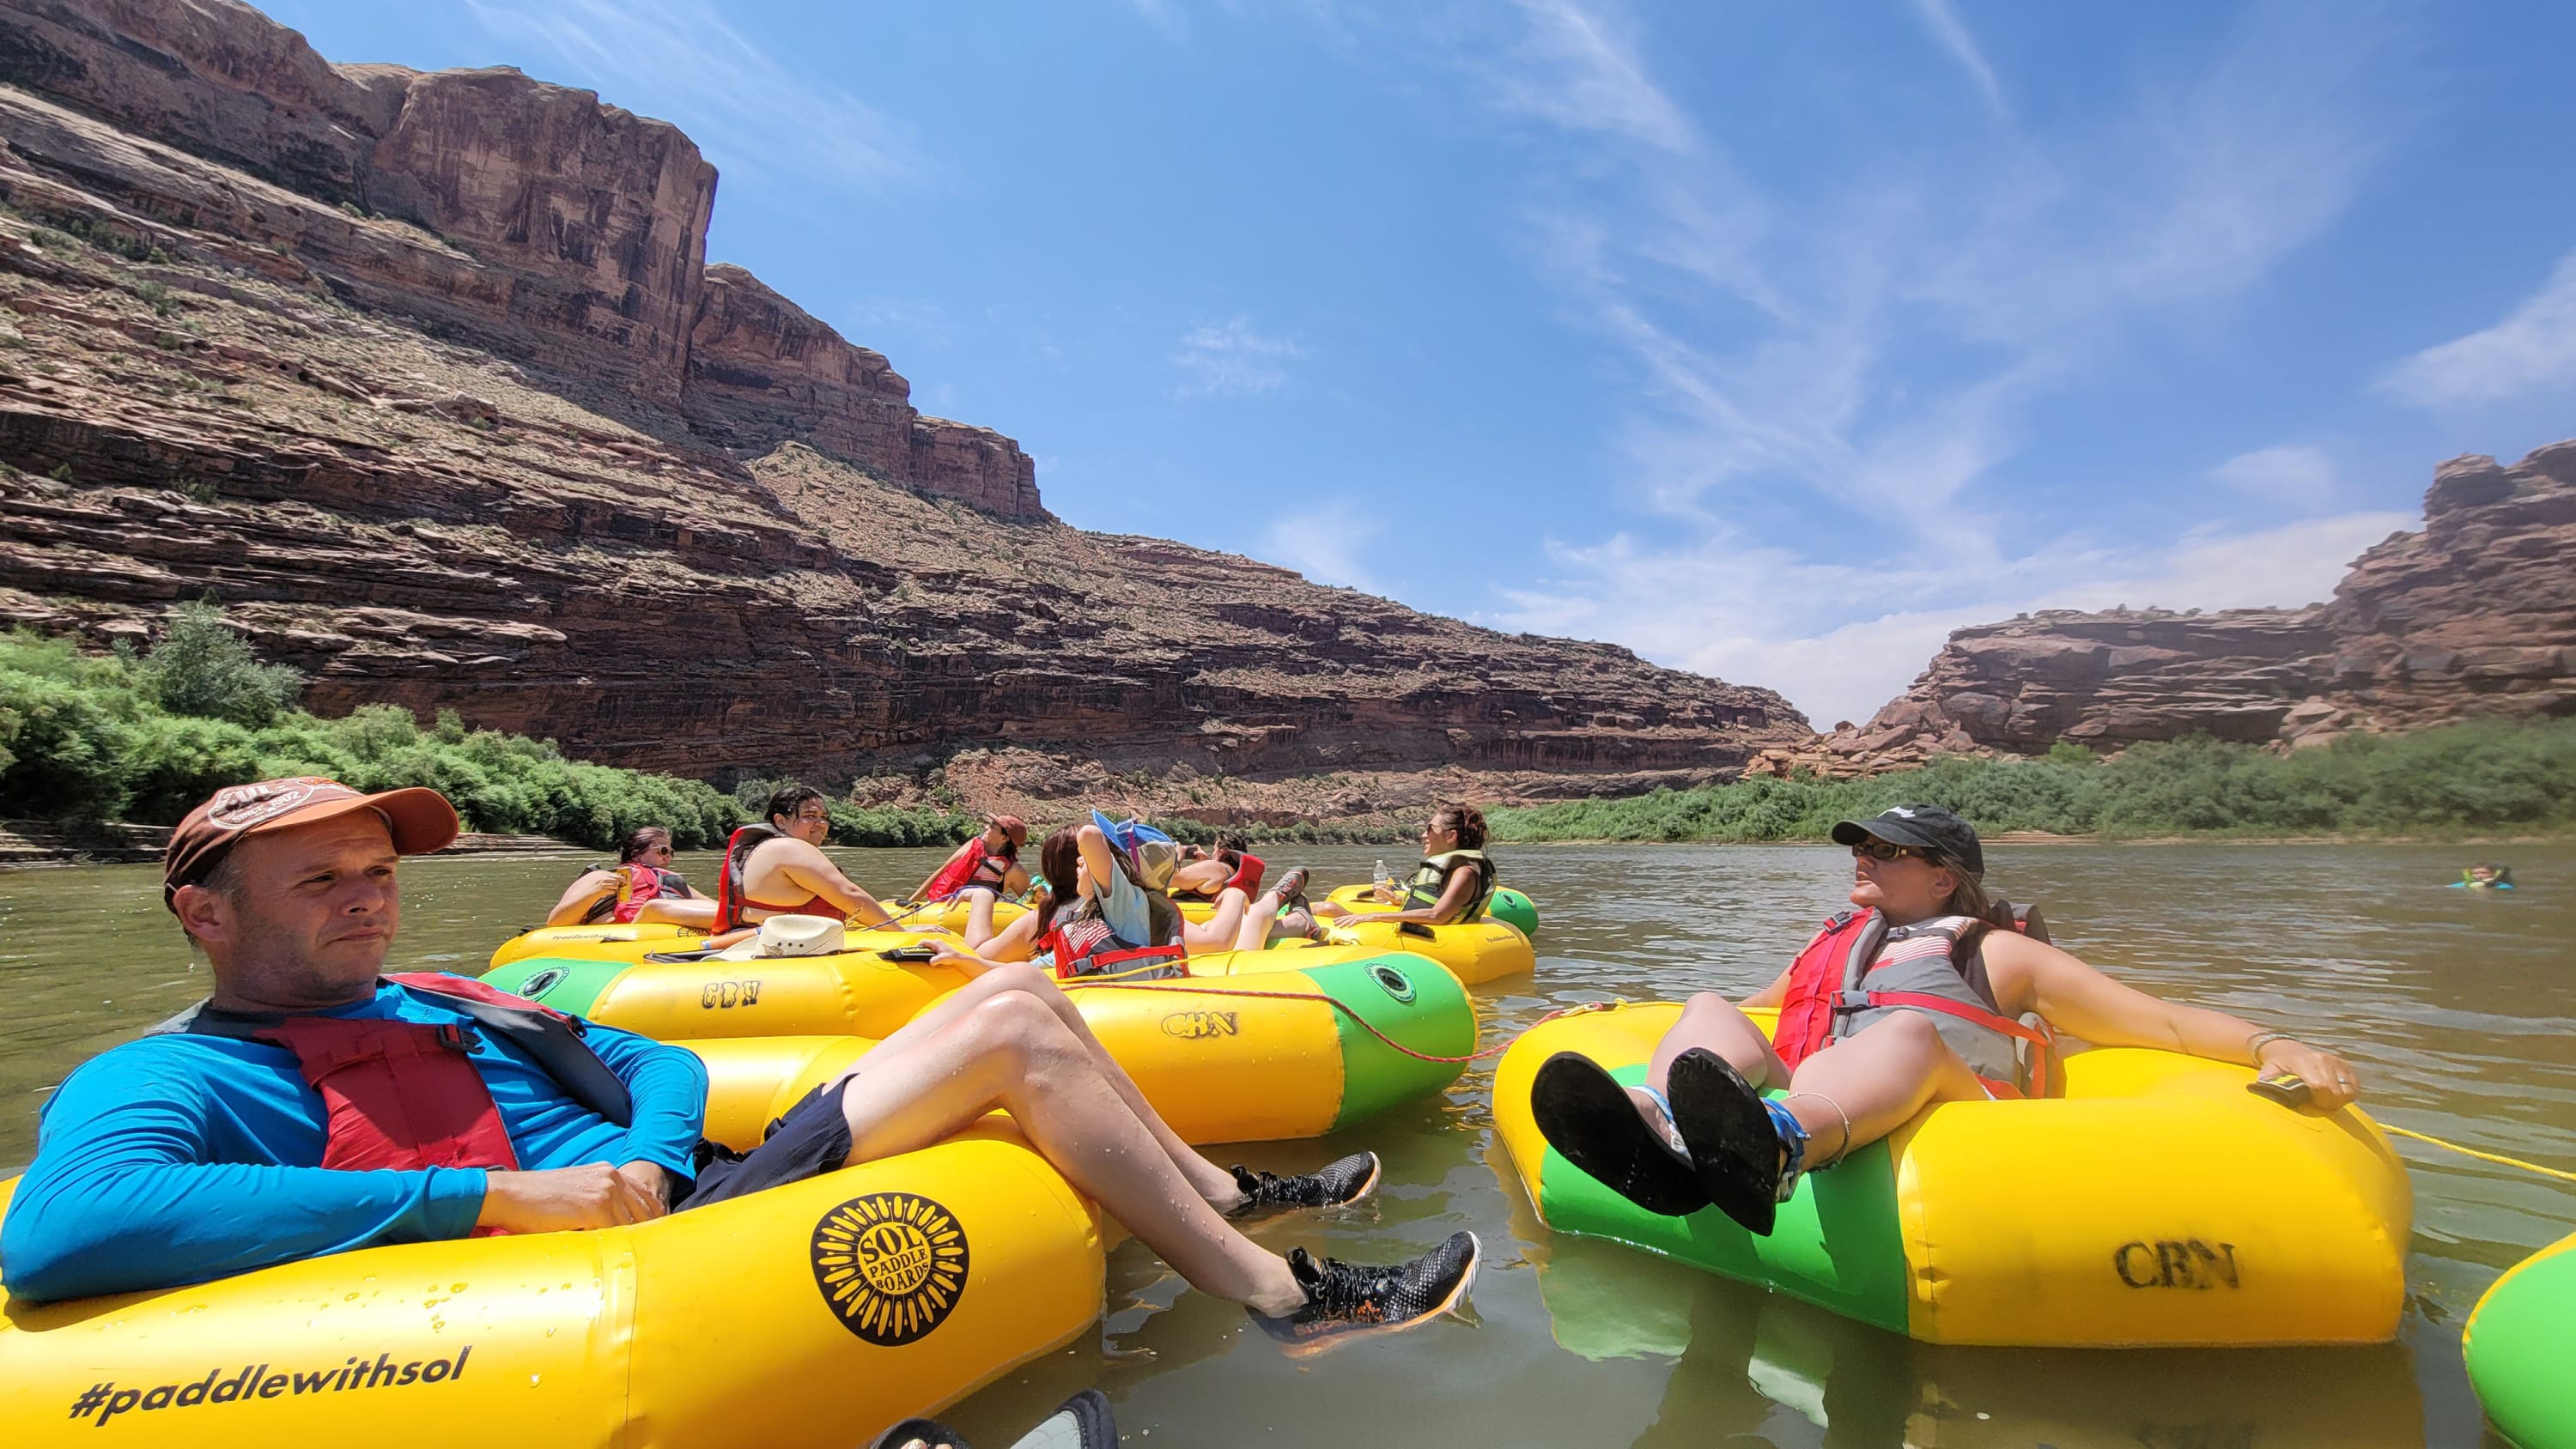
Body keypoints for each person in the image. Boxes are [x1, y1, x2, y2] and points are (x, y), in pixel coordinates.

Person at [0, 776, 1482, 1362]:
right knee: (1020, 1015)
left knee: (1021, 998)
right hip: (596, 1261)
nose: (369, 893)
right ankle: (1290, 1301)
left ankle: (1234, 1197)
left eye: (375, 868)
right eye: (321, 877)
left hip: (689, 1192)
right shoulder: (170, 1074)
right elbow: (63, 1227)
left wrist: (640, 1154)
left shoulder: (446, 992)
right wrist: (497, 1199)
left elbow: (642, 1056)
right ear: (204, 913)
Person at [1531, 804, 2365, 1234]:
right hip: (1838, 1091)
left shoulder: (1994, 953)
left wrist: (2274, 1040)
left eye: (1887, 850)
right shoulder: (1844, 942)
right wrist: (1618, 1007)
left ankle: (1776, 1145)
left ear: (1942, 879)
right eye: (1861, 845)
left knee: (1905, 1031)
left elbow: (2162, 1022)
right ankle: (1654, 1124)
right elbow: (1753, 1008)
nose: (1864, 855)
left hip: (1959, 1117)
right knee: (1709, 1007)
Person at [713, 785, 897, 934]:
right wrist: (900, 932)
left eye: (823, 817)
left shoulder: (765, 847)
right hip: (770, 949)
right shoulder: (790, 848)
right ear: (781, 821)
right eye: (810, 816)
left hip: (749, 939)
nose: (821, 823)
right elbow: (849, 895)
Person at [1316, 804, 1496, 927]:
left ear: (1450, 837)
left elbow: (1438, 916)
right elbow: (1442, 903)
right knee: (1329, 908)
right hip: (1415, 929)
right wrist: (1397, 899)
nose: (1423, 835)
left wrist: (1373, 916)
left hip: (1426, 937)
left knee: (1328, 909)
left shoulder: (1464, 872)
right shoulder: (1458, 869)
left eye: (1430, 829)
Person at [544, 825, 717, 929]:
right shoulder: (601, 876)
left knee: (720, 908)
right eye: (663, 851)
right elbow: (555, 922)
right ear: (636, 853)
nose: (668, 857)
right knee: (654, 908)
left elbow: (716, 907)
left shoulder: (670, 880)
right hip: (626, 935)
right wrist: (595, 892)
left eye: (671, 852)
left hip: (669, 937)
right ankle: (743, 918)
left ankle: (743, 919)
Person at [911, 815, 1030, 946]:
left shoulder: (1013, 871)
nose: (986, 827)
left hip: (972, 921)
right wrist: (911, 901)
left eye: (992, 827)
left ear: (1004, 838)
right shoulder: (972, 845)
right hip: (936, 909)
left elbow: (1029, 903)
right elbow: (942, 870)